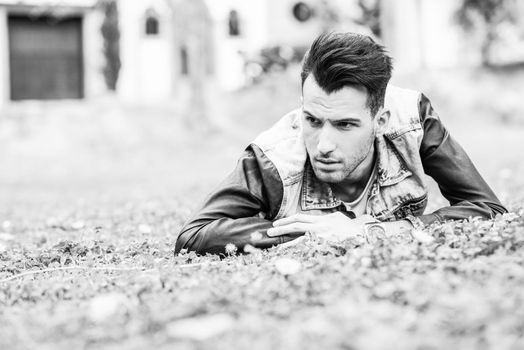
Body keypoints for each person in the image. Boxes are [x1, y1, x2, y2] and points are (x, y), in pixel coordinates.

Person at [175, 32, 506, 255]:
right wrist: (312, 232)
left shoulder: (412, 120)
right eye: (313, 121)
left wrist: (367, 231)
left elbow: (488, 209)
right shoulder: (273, 157)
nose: (323, 145)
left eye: (345, 124)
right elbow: (193, 235)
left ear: (381, 121)